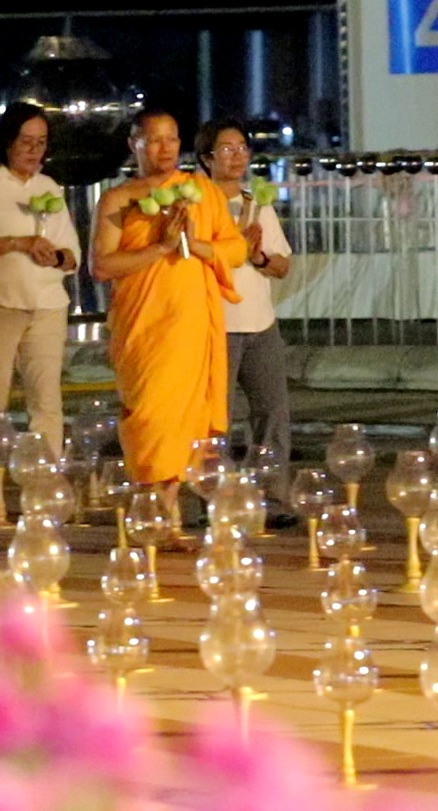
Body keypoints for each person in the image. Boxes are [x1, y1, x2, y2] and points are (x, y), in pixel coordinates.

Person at [92, 109, 246, 525]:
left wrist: (197, 245)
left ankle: (167, 514)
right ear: (134, 145)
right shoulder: (120, 199)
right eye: (154, 140)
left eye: (172, 139)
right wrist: (159, 248)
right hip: (144, 327)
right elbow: (103, 266)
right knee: (150, 416)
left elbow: (235, 249)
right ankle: (151, 509)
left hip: (191, 324)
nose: (165, 149)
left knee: (186, 421)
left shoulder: (200, 191)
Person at [0, 104, 79, 456]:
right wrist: (18, 244)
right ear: (7, 142)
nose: (34, 150)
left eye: (41, 143)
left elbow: (71, 254)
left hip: (47, 306)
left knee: (47, 402)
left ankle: (47, 480)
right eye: (26, 142)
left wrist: (57, 256)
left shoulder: (49, 187)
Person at [195, 120, 293, 491]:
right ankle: (214, 498)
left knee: (272, 414)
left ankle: (273, 494)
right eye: (226, 149)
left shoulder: (256, 203)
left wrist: (258, 256)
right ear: (206, 158)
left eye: (242, 149)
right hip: (214, 322)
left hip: (260, 324)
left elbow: (282, 264)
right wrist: (232, 247)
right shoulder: (197, 204)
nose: (237, 157)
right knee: (215, 419)